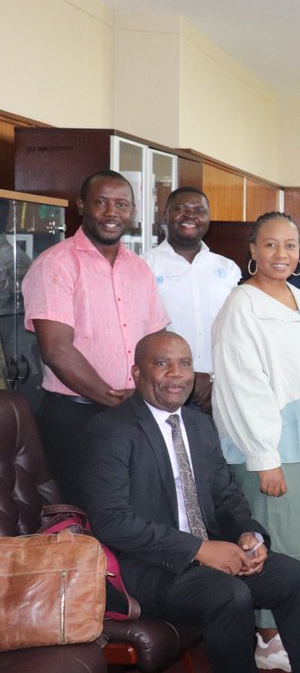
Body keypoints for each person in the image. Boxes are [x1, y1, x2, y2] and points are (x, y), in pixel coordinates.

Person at [80, 331, 300, 673]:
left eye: (184, 364)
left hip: (206, 556)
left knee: (293, 576)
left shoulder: (199, 425)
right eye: (162, 363)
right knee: (229, 595)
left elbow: (227, 496)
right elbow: (112, 521)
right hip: (149, 570)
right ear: (136, 372)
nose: (176, 374)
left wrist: (249, 535)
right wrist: (199, 549)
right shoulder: (112, 431)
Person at [212, 211, 300, 668]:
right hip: (273, 449)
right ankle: (269, 639)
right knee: (277, 540)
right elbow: (244, 388)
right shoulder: (242, 306)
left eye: (290, 245)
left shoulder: (298, 298)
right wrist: (264, 458)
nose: (281, 254)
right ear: (251, 250)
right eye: (270, 245)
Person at [22, 170, 169, 504]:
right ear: (81, 205)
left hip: (135, 410)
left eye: (121, 204)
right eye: (101, 202)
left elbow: (156, 339)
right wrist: (116, 399)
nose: (111, 212)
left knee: (137, 509)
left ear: (132, 213)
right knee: (90, 517)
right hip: (76, 416)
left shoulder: (139, 268)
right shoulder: (55, 264)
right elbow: (57, 351)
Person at [143, 186, 240, 412]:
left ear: (208, 218)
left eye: (199, 210)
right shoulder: (145, 265)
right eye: (181, 209)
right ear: (165, 215)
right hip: (166, 389)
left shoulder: (227, 268)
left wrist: (215, 378)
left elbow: (237, 331)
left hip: (222, 388)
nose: (190, 216)